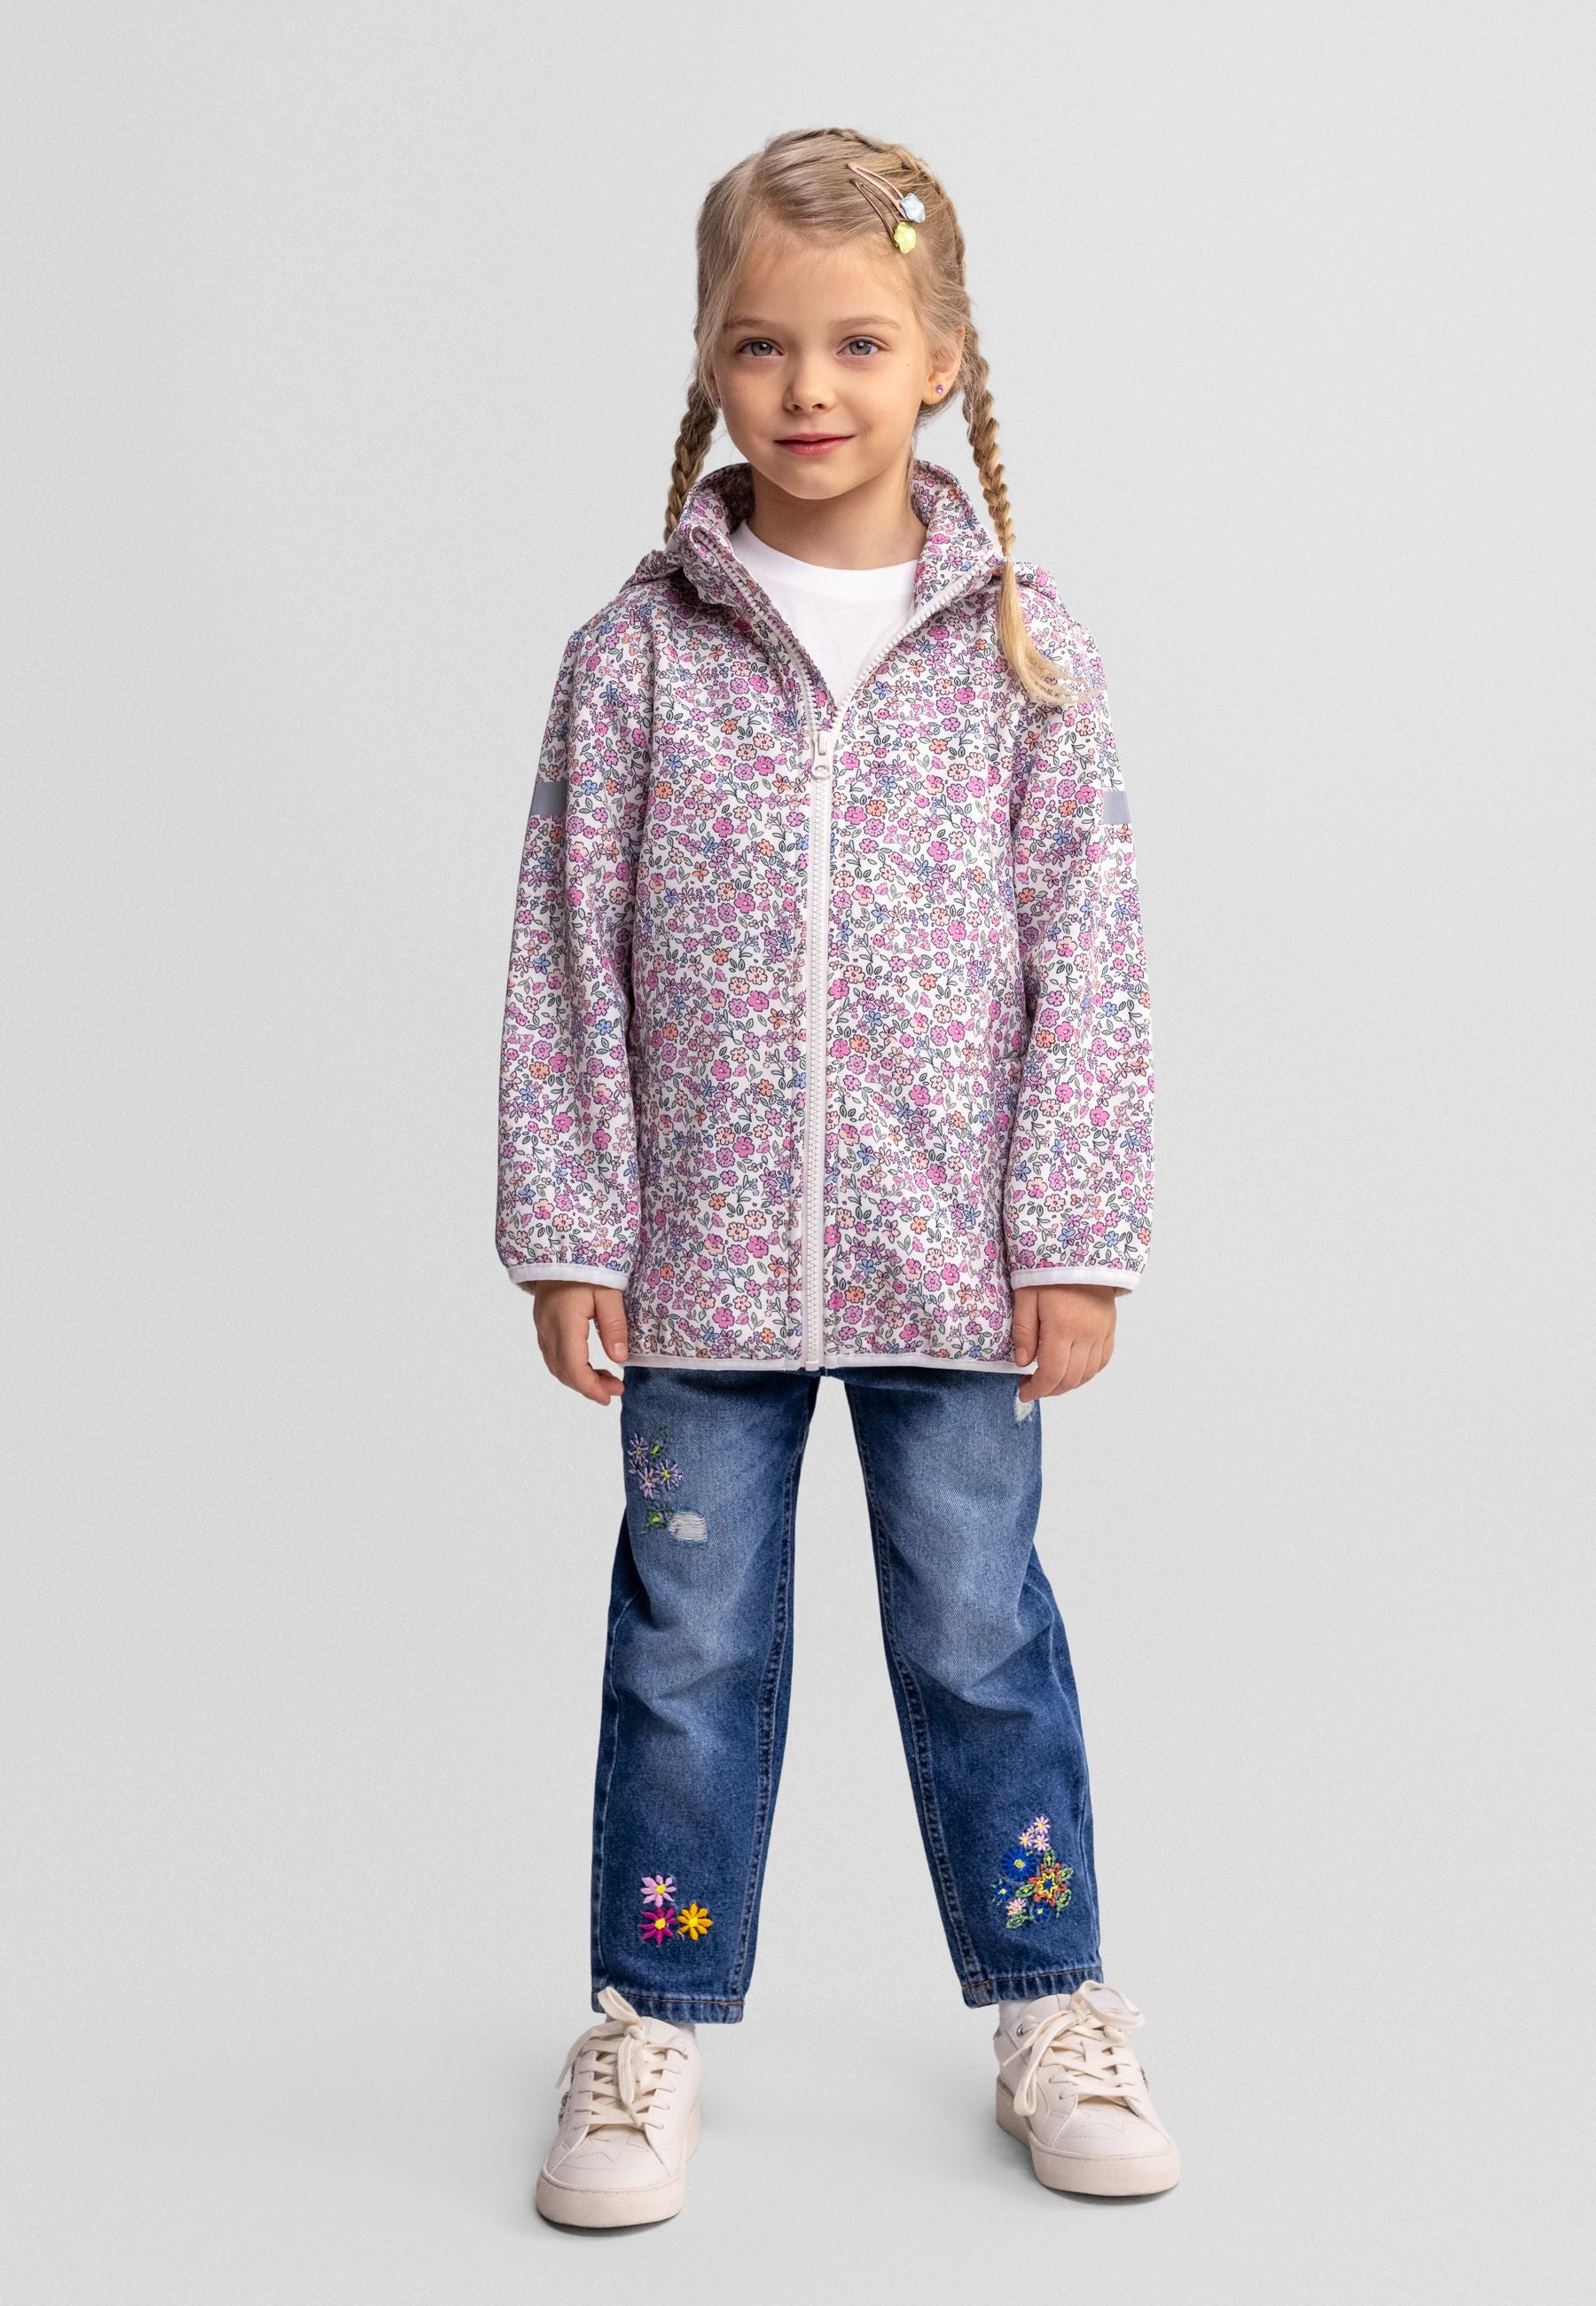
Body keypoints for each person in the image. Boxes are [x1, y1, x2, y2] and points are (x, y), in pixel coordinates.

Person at [496, 127, 1177, 2226]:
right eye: (763, 345)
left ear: (944, 359)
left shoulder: (1024, 653)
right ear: (708, 361)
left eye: (861, 343)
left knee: (979, 1636)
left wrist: (1074, 1238)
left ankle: (1051, 2001)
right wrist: (569, 1224)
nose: (809, 388)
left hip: (952, 1267)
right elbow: (565, 952)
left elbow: (1091, 957)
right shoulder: (633, 659)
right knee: (686, 1646)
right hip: (698, 1272)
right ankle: (649, 2016)